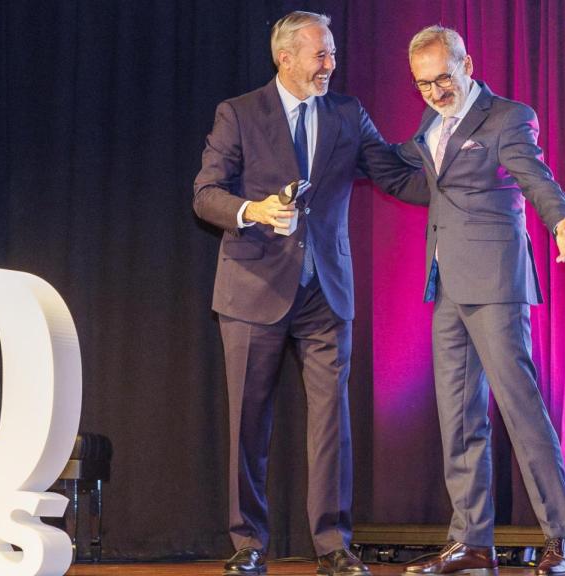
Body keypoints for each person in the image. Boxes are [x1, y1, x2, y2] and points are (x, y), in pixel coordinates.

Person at [193, 11, 428, 576]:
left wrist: (453, 160)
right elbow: (205, 194)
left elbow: (394, 174)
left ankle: (333, 545)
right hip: (253, 288)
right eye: (319, 55)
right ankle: (248, 543)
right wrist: (253, 211)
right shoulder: (241, 113)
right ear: (286, 58)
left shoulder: (348, 113)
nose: (331, 64)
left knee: (332, 425)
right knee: (249, 423)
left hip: (327, 291)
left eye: (332, 54)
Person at [398, 25, 565, 576]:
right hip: (447, 284)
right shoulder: (431, 123)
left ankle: (564, 540)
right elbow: (422, 180)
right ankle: (472, 543)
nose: (435, 91)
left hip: (497, 283)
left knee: (521, 410)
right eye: (424, 84)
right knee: (458, 417)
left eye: (443, 78)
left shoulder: (508, 116)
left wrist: (560, 219)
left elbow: (534, 174)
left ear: (468, 65)